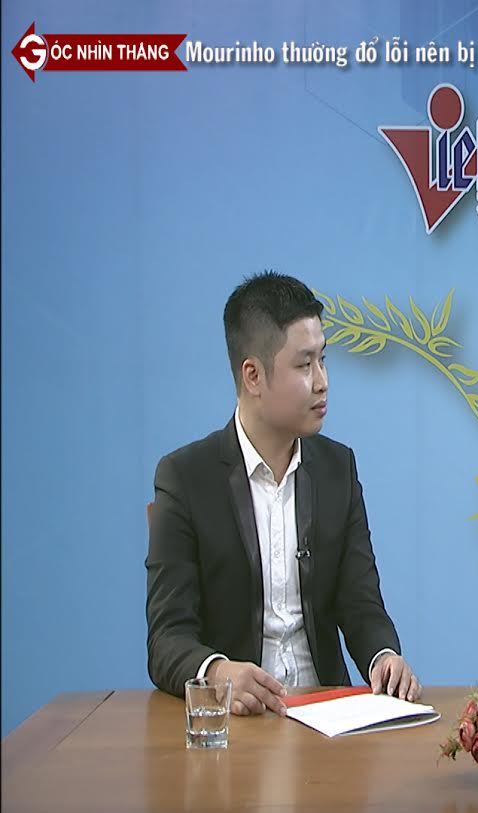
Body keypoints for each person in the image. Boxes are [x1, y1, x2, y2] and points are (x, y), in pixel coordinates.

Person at [146, 271, 420, 716]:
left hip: (326, 719)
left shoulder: (337, 469)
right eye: (304, 365)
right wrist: (217, 671)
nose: (322, 381)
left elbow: (361, 603)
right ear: (253, 375)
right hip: (238, 720)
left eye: (323, 360)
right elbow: (166, 638)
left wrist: (383, 657)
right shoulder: (185, 478)